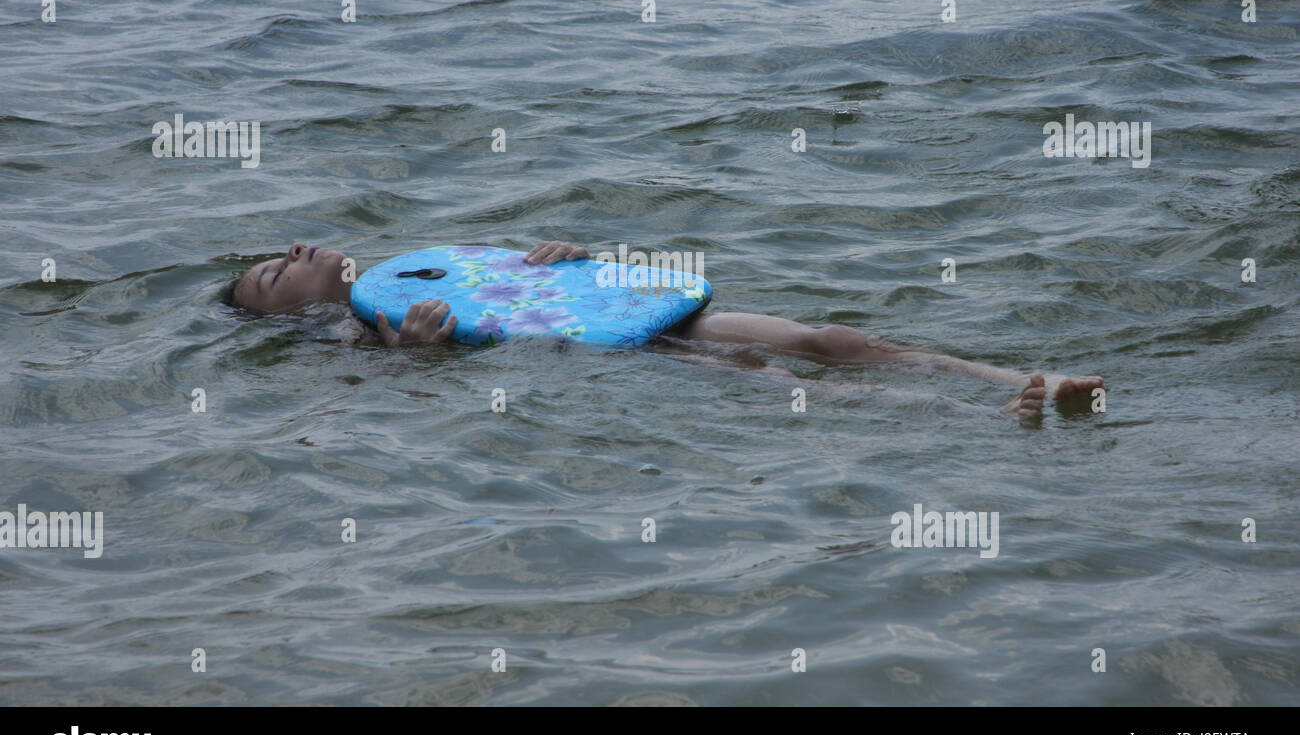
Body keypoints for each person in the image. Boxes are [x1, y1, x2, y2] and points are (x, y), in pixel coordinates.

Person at [228, 239, 1103, 419]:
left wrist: (563, 259)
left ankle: (1013, 375)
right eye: (275, 271)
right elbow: (408, 389)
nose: (295, 250)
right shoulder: (347, 333)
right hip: (591, 360)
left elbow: (511, 281)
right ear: (290, 311)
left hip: (631, 317)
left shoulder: (420, 265)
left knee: (826, 337)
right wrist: (414, 352)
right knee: (770, 374)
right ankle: (988, 414)